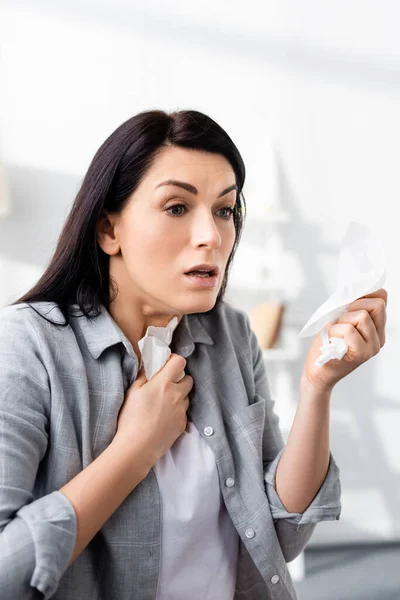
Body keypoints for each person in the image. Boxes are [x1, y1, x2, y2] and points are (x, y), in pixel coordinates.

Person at [0, 109, 387, 600]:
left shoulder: (230, 333)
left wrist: (318, 386)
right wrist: (134, 451)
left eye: (225, 210)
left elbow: (279, 535)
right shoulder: (25, 346)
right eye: (177, 207)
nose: (212, 236)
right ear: (108, 230)